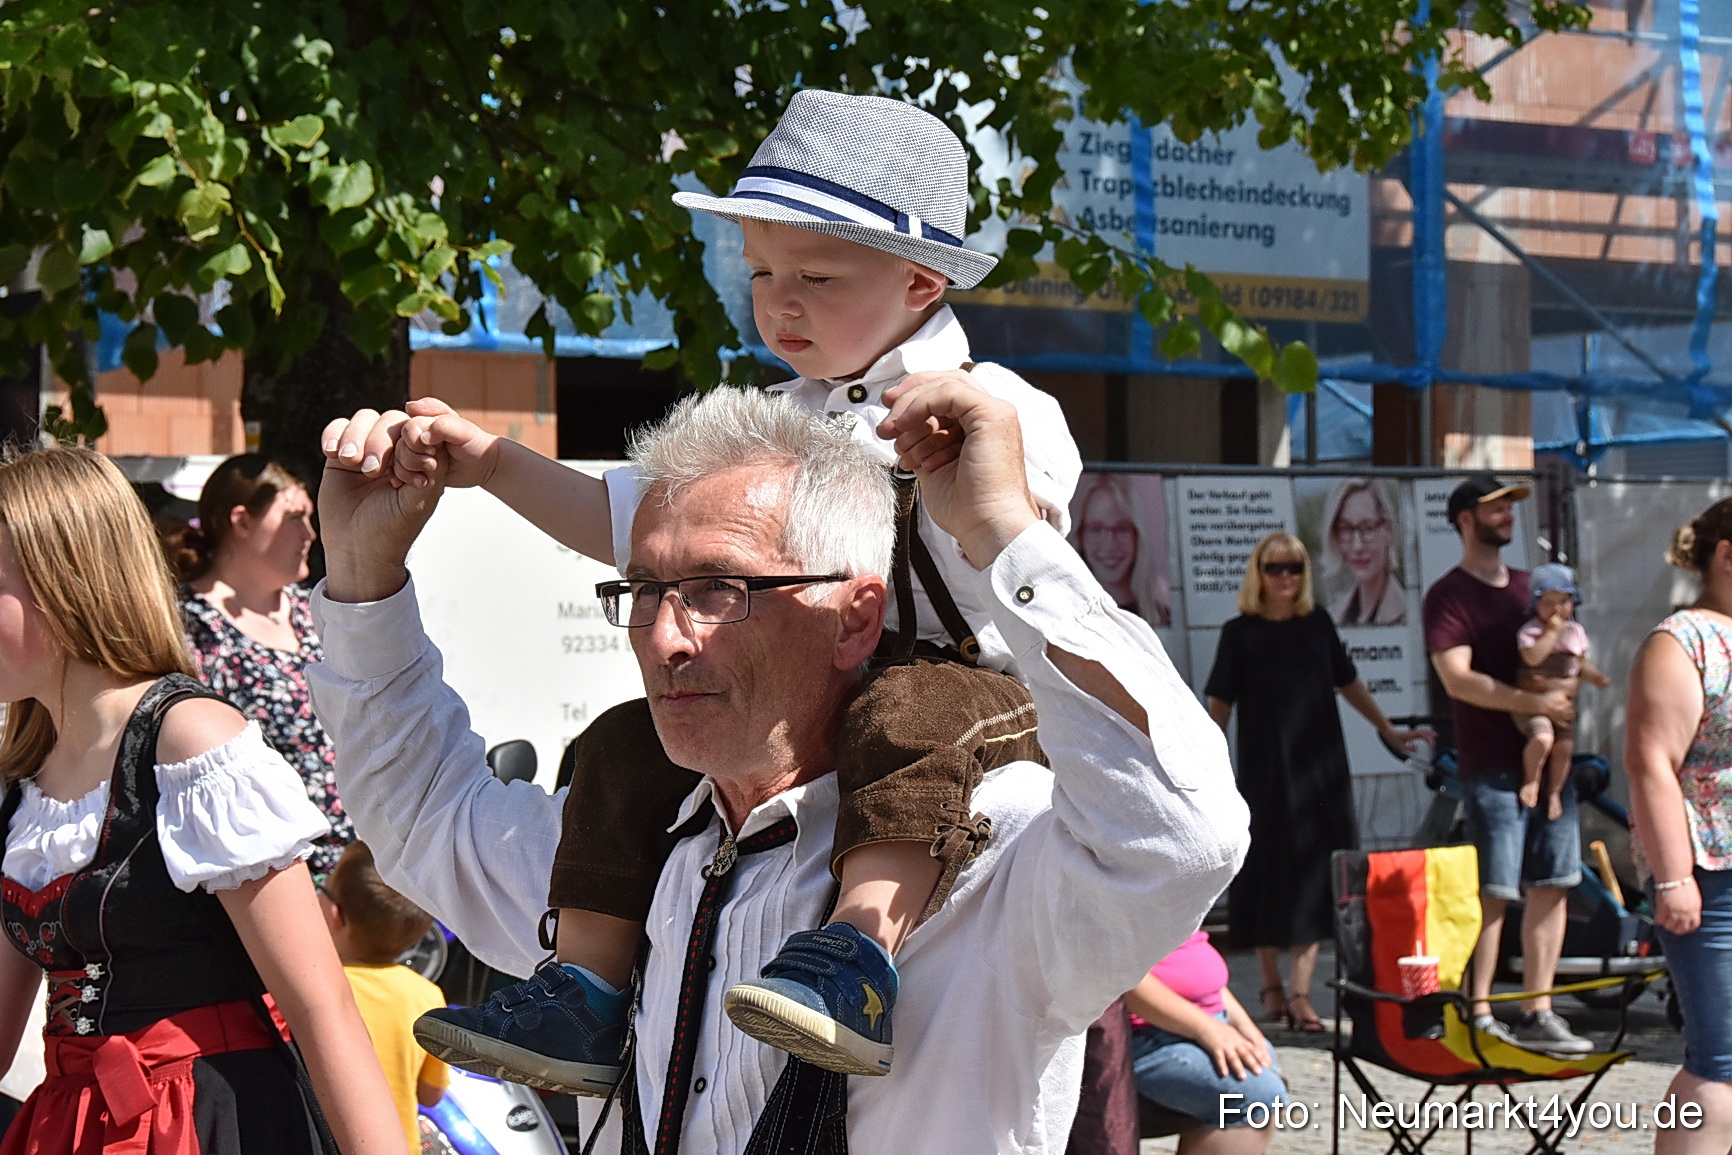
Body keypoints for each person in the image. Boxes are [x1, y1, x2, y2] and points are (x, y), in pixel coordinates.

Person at [307, 376, 1248, 1153]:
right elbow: (423, 810)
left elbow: (1182, 832)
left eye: (718, 588)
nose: (666, 636)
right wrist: (359, 573)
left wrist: (1008, 533)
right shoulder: (630, 846)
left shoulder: (996, 849)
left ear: (857, 615)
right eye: (643, 590)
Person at [385, 90, 1082, 1092]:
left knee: (907, 710)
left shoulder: (1001, 404)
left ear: (923, 284)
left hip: (963, 688)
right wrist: (490, 462)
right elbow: (624, 518)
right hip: (802, 692)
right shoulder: (767, 419)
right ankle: (584, 986)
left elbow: (1031, 560)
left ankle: (856, 956)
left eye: (815, 275)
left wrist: (986, 495)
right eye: (760, 271)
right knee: (625, 738)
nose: (778, 301)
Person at [0, 445, 403, 1155]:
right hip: (74, 1130)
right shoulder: (22, 781)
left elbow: (321, 1008)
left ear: (60, 580)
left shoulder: (191, 742)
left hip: (208, 1123)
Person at [1206, 531, 1430, 1032]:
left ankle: (1302, 993)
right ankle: (1270, 986)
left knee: (1314, 877)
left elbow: (1347, 680)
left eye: (1295, 568)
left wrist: (1387, 728)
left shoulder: (1318, 624)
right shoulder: (1239, 633)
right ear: (1257, 573)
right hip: (1264, 777)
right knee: (1265, 876)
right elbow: (1218, 705)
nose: (1285, 577)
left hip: (1320, 773)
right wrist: (1202, 765)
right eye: (1275, 567)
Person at [1420, 472, 1588, 1055]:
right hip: (1490, 764)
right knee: (1494, 891)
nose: (1508, 515)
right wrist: (1533, 702)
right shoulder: (1449, 595)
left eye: (1511, 506)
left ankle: (1539, 1011)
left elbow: (1571, 650)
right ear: (1465, 518)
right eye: (1495, 507)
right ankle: (1479, 1009)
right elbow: (1458, 679)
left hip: (1553, 768)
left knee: (1554, 884)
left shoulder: (1533, 587)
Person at [170, 454, 354, 876]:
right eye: (294, 517)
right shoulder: (190, 625)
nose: (310, 533)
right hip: (274, 871)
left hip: (363, 866)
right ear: (242, 521)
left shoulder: (314, 611)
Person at [1625, 498, 1732, 1155]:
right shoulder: (1683, 640)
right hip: (1712, 877)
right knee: (1722, 1057)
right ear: (1727, 555)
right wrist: (1673, 878)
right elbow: (1650, 762)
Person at [319, 841, 449, 1154]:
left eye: (323, 886)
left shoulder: (313, 988)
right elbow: (431, 1095)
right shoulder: (427, 996)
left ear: (337, 916)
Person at [1125, 930, 1282, 1155]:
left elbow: (1195, 955)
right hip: (1147, 1032)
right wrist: (1205, 1029)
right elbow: (1115, 973)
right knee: (1256, 1095)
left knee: (1263, 1065)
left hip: (1206, 1019)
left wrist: (1242, 1023)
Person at [1511, 564, 1609, 822]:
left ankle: (1554, 792)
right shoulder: (1531, 631)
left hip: (1563, 707)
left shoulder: (1575, 632)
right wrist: (1551, 633)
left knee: (1564, 748)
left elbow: (1580, 662)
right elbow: (1532, 658)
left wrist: (1594, 675)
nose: (1557, 609)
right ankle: (1531, 780)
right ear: (1536, 604)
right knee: (1542, 739)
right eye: (1549, 602)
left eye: (1563, 601)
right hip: (1534, 704)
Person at [1072, 473, 1172, 627]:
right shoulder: (1062, 615)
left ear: (1137, 535)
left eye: (1121, 529)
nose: (1109, 544)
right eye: (1096, 529)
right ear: (1080, 535)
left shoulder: (1162, 612)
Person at [1320, 477, 1406, 627]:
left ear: (1388, 530)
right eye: (1346, 528)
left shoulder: (1411, 612)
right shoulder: (1331, 616)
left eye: (1368, 528)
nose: (1357, 546)